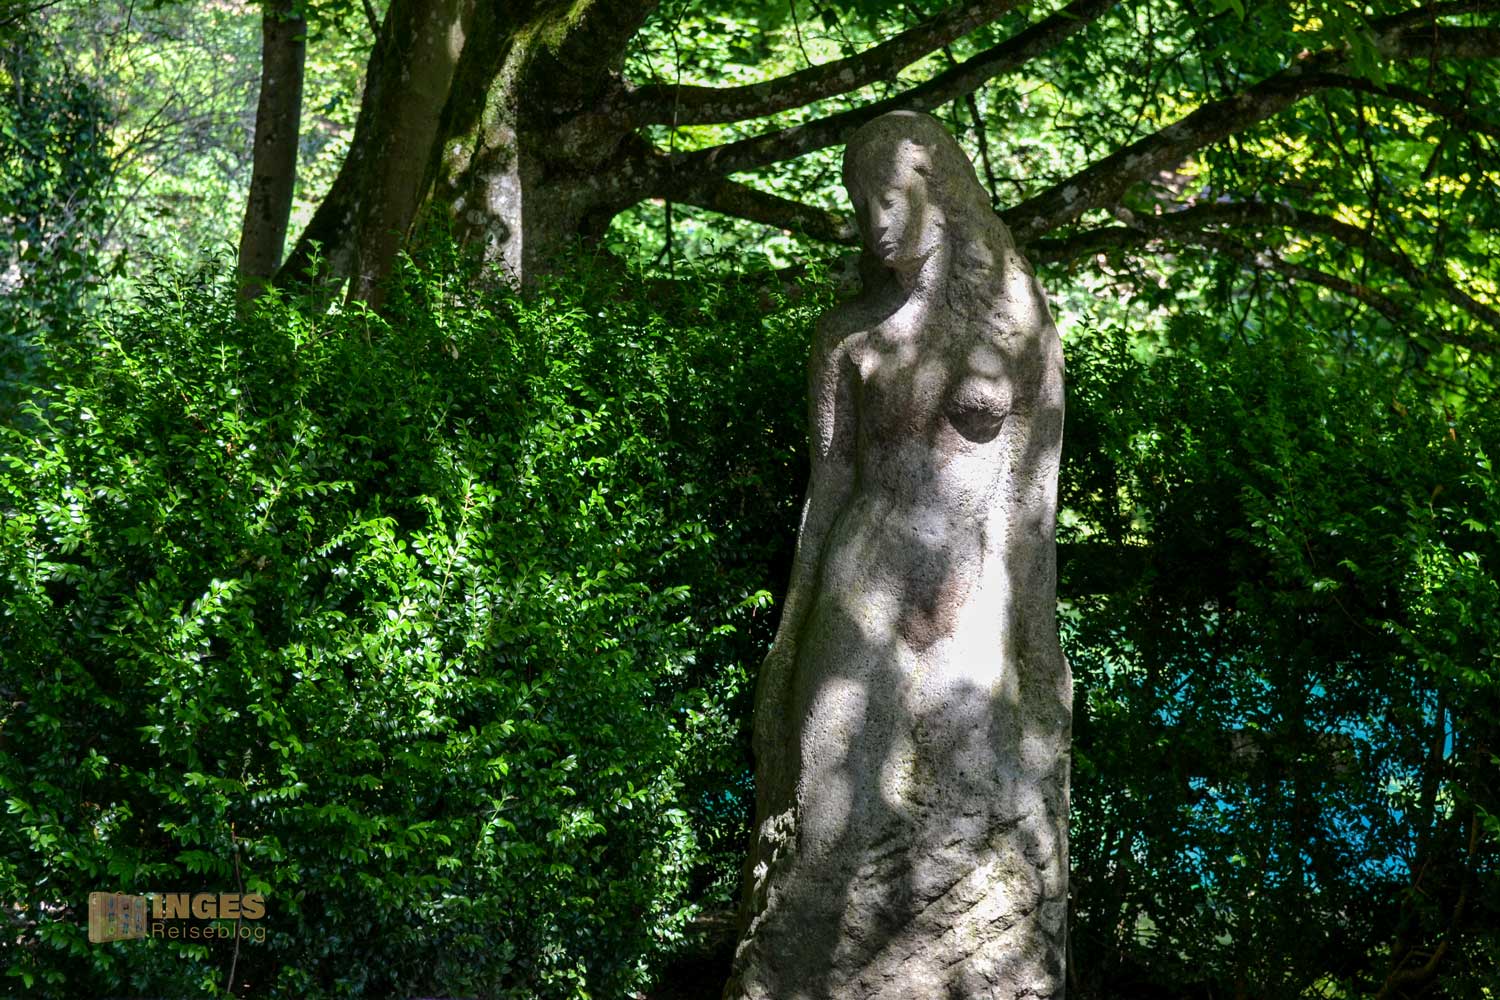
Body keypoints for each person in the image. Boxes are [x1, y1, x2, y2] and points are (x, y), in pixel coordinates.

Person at [726, 111, 1069, 1000]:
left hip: (970, 594)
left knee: (969, 810)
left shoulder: (1020, 324)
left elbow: (1033, 503)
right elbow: (827, 489)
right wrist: (789, 634)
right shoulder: (845, 337)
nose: (873, 222)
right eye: (858, 204)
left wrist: (1039, 650)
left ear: (938, 193)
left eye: (888, 199)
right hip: (863, 580)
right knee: (829, 796)